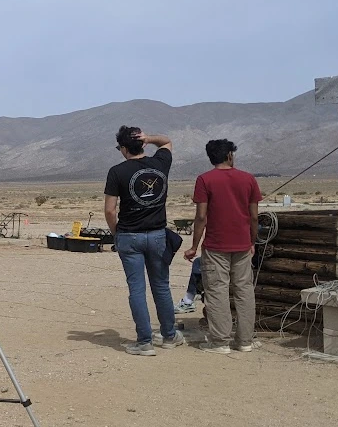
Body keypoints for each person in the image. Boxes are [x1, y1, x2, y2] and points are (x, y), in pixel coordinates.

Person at [104, 126, 182, 355]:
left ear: (125, 148)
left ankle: (144, 341)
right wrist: (149, 138)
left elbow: (110, 210)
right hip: (157, 235)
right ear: (143, 144)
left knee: (137, 289)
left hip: (129, 235)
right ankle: (169, 335)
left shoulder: (117, 172)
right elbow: (167, 141)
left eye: (120, 147)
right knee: (161, 286)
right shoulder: (160, 163)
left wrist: (116, 233)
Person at [184, 139, 263, 354]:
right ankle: (244, 340)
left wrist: (193, 246)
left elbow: (201, 216)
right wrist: (252, 242)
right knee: (244, 290)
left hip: (216, 245)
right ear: (229, 155)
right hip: (242, 246)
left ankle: (220, 342)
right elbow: (254, 217)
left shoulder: (204, 180)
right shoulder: (248, 179)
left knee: (217, 290)